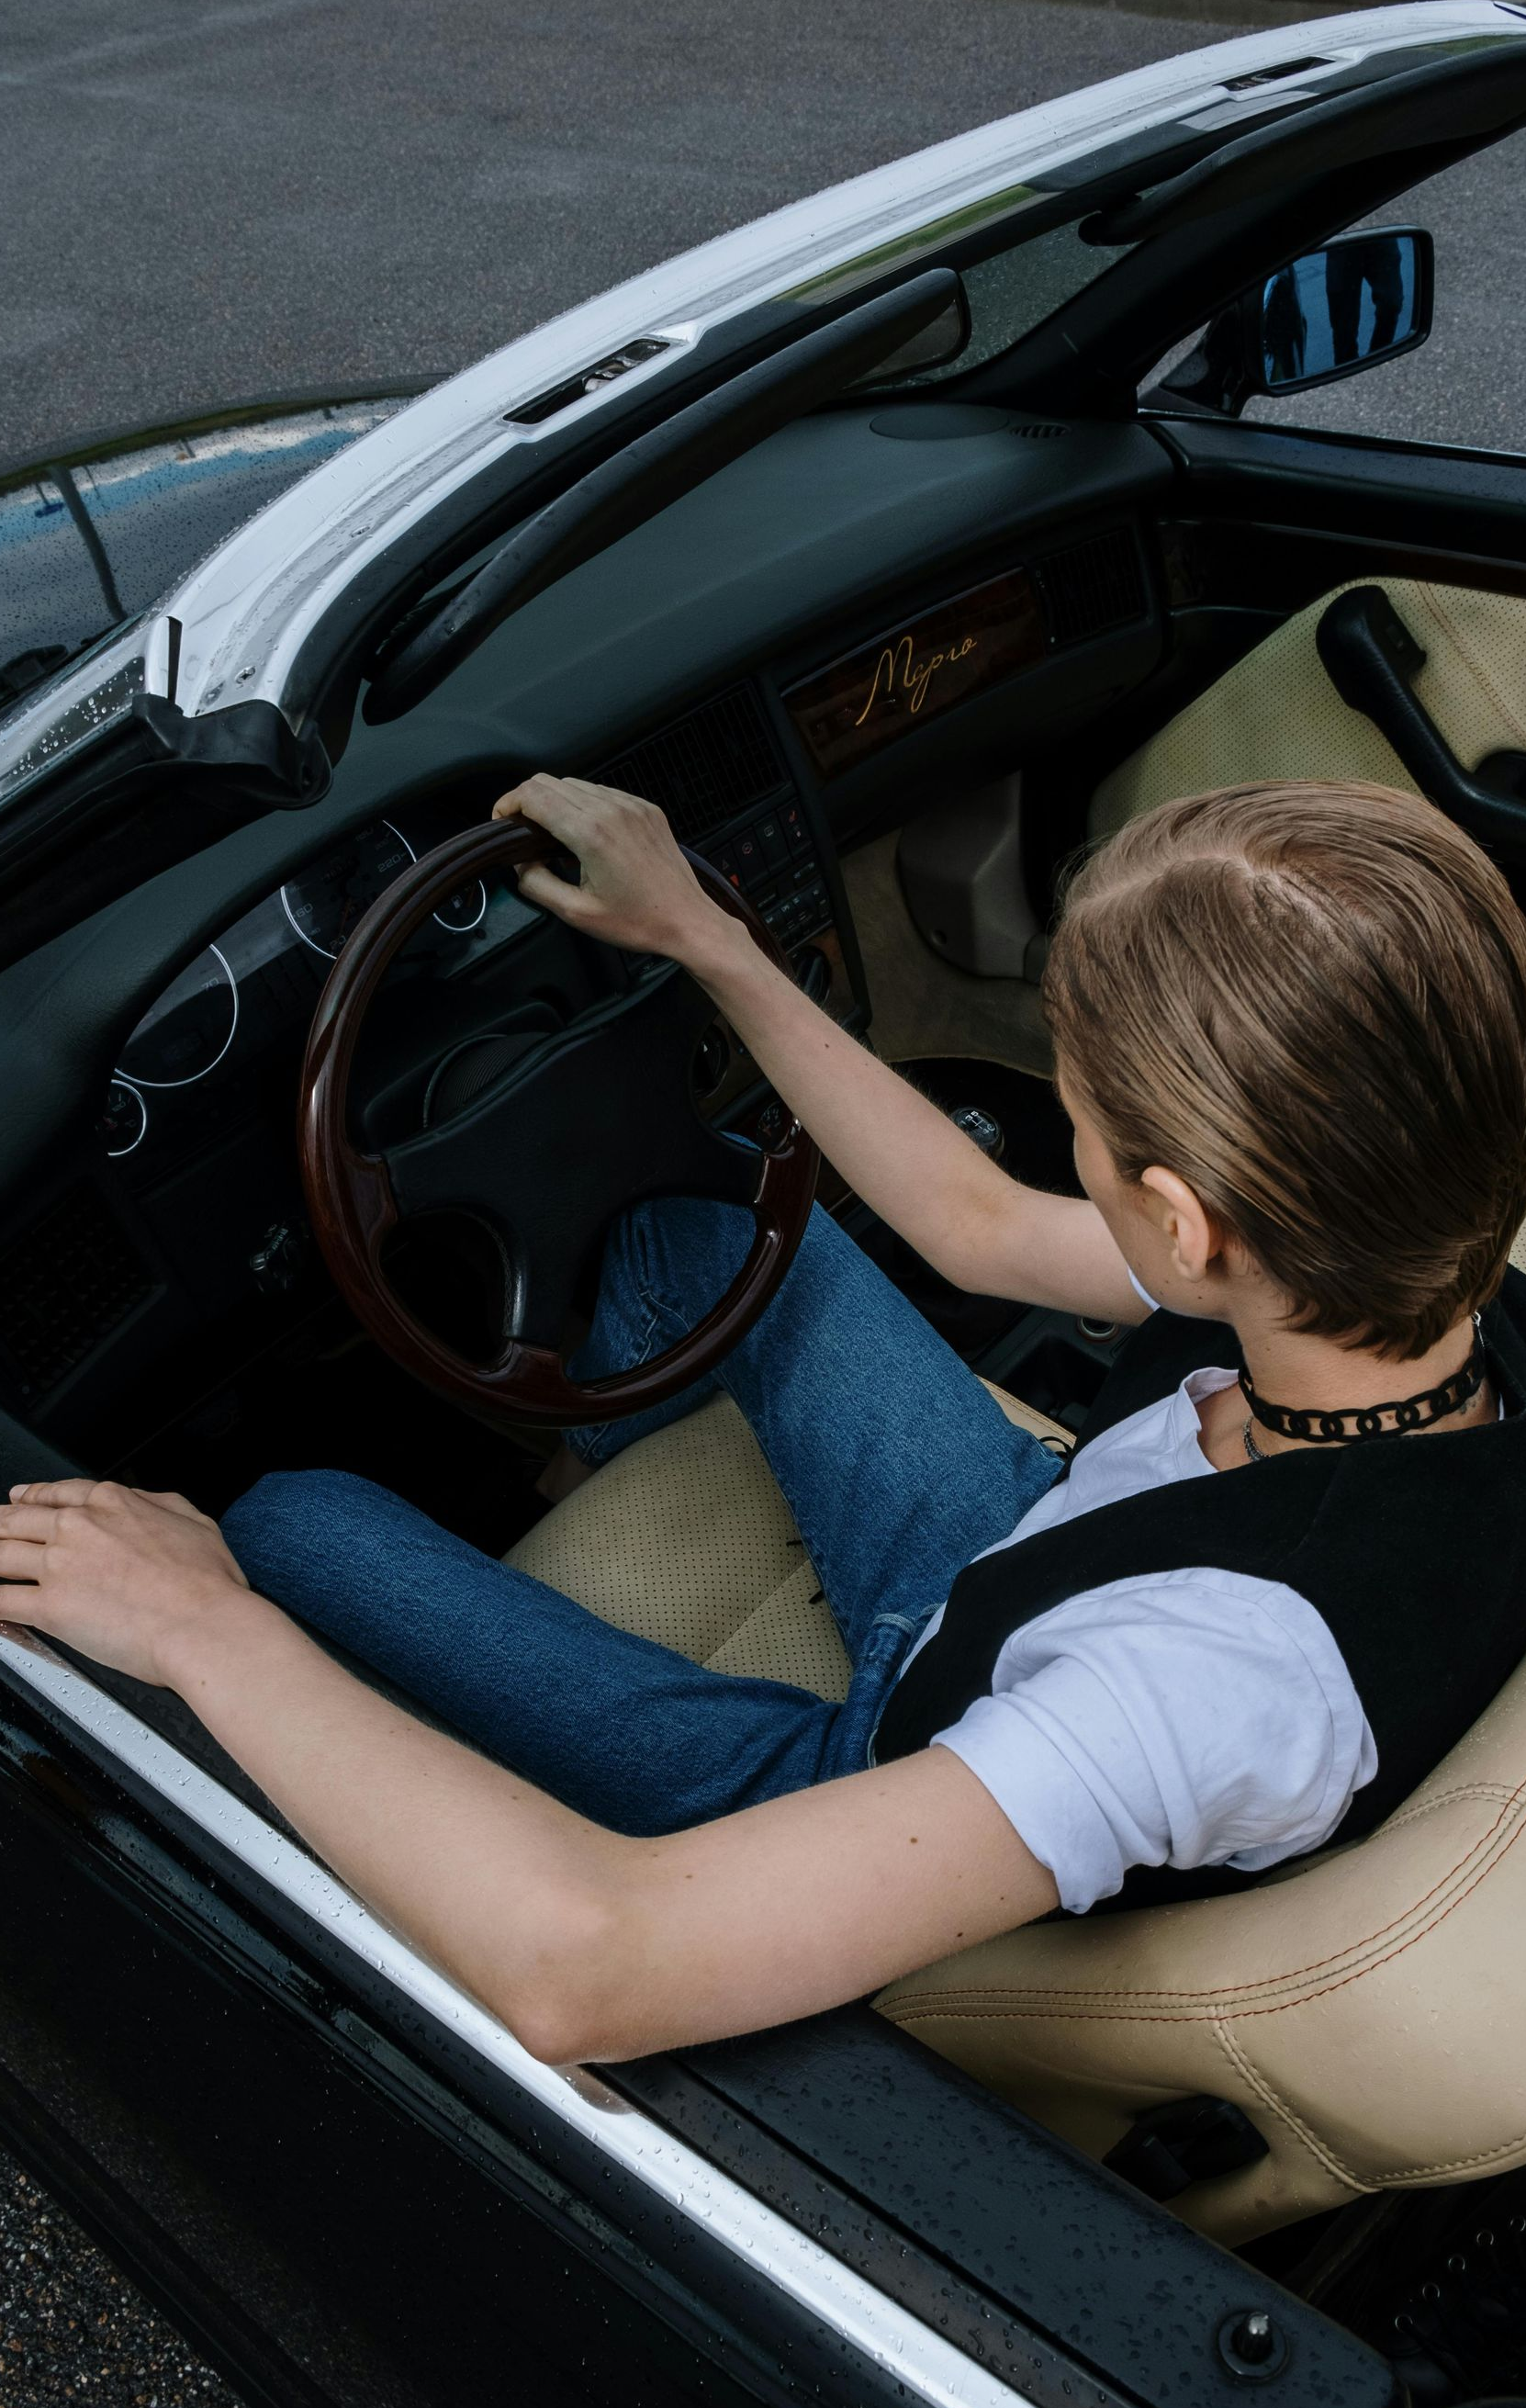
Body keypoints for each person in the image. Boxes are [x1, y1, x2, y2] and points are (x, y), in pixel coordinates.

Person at [3, 778, 1526, 2069]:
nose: (1072, 1145)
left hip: (890, 1755)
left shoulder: (1208, 1686)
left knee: (281, 1528)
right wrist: (703, 937)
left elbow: (586, 1970)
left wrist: (199, 1621)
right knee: (703, 1234)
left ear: (1190, 1230)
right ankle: (565, 1454)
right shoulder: (1411, 1257)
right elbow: (982, 1225)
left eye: (1086, 1120)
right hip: (1030, 1553)